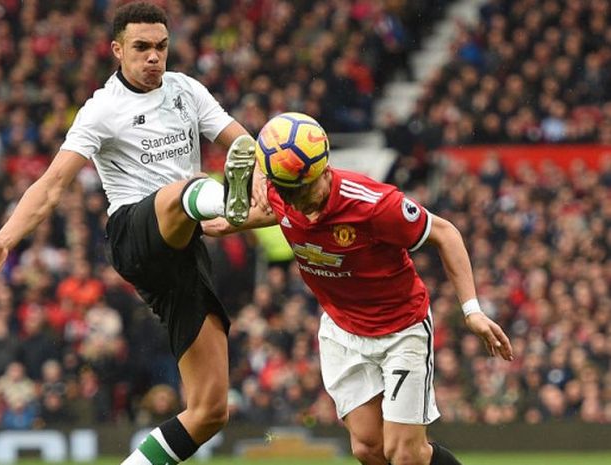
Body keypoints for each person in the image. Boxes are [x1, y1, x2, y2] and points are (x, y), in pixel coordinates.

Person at [0, 3, 260, 465]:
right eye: (141, 48)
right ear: (117, 50)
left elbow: (246, 147)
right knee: (190, 189)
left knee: (209, 411)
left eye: (161, 47)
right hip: (134, 234)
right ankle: (223, 200)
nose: (153, 58)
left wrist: (285, 186)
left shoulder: (187, 91)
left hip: (184, 249)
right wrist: (5, 238)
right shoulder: (102, 110)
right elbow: (52, 184)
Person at [203, 113, 514, 465]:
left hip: (400, 329)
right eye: (288, 193)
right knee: (368, 449)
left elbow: (445, 233)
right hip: (342, 331)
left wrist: (471, 311)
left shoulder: (373, 204)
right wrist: (218, 224)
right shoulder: (284, 194)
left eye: (304, 189)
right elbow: (261, 214)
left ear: (323, 168)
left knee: (406, 454)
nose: (298, 200)